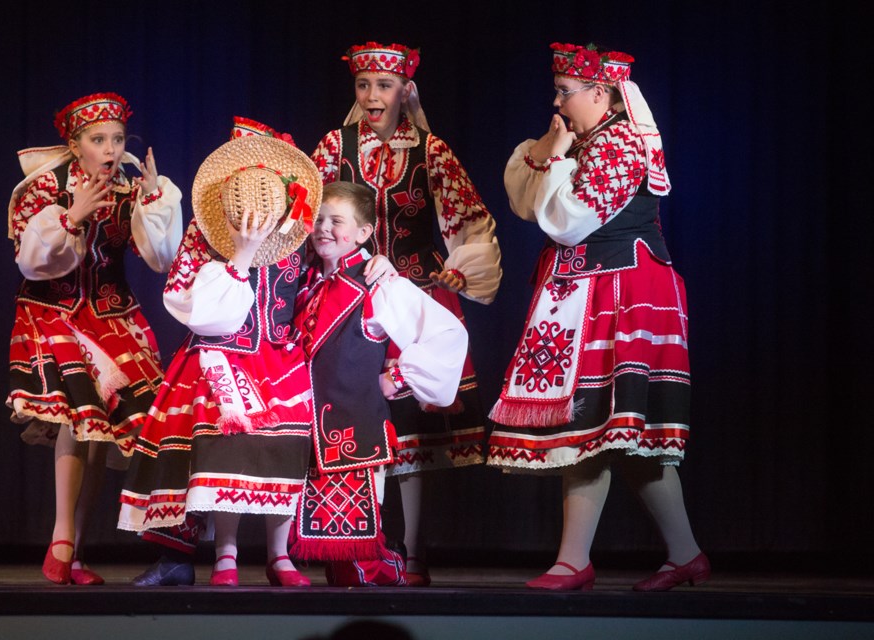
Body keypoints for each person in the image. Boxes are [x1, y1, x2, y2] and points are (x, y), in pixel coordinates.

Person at [118, 119, 395, 587]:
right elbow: (189, 303)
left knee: (286, 448)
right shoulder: (205, 235)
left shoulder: (295, 240)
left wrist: (377, 261)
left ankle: (278, 555)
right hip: (216, 355)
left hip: (278, 357)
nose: (255, 199)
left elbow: (323, 281)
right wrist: (241, 254)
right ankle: (216, 555)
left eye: (264, 186)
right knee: (220, 446)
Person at [486, 42, 709, 592]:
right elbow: (521, 200)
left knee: (596, 426)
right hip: (581, 293)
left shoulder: (619, 144)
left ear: (601, 93)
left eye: (566, 92)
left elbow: (566, 222)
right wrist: (554, 146)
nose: (556, 100)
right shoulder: (579, 139)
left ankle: (574, 561)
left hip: (619, 291)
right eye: (556, 90)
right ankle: (683, 554)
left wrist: (558, 156)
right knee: (617, 434)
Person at [312, 42, 502, 585]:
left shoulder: (430, 151)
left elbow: (469, 216)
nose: (373, 95)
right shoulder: (333, 145)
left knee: (412, 432)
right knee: (352, 418)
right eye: (364, 85)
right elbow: (306, 214)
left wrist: (459, 269)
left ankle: (414, 551)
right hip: (347, 301)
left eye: (384, 85)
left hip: (414, 296)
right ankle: (355, 544)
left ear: (405, 91)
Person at [6, 92, 183, 585]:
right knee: (77, 412)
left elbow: (161, 258)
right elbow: (31, 261)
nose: (110, 149)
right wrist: (71, 215)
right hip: (55, 312)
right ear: (75, 143)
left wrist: (153, 204)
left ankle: (75, 551)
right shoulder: (45, 188)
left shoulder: (133, 186)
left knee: (103, 435)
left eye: (118, 139)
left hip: (111, 312)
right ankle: (62, 537)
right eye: (98, 139)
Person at [290, 181, 467, 587]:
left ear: (365, 232)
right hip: (308, 433)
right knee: (335, 562)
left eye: (337, 221)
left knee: (357, 561)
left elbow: (446, 333)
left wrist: (397, 378)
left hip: (355, 431)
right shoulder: (306, 283)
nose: (323, 228)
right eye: (318, 219)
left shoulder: (377, 283)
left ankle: (394, 574)